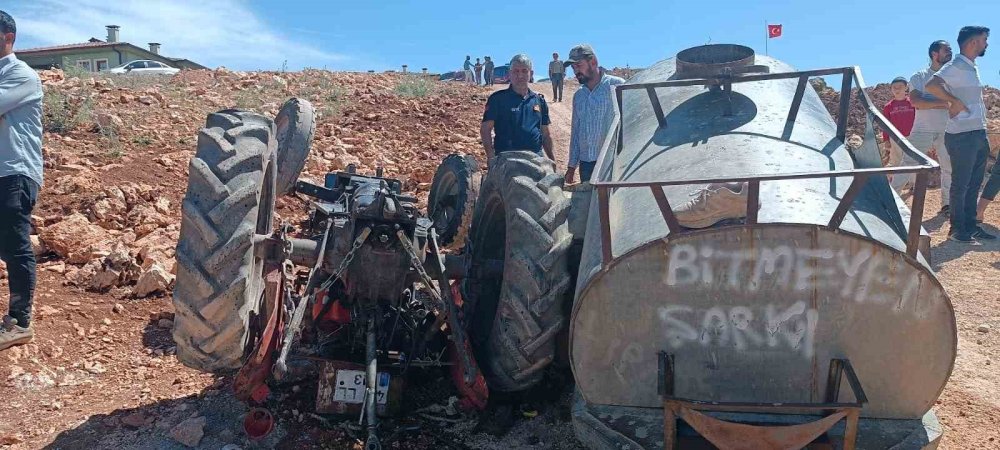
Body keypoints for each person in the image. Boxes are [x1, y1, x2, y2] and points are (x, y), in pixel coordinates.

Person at [0, 10, 44, 352]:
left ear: (8, 38)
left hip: (16, 172)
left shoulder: (21, 75)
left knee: (16, 246)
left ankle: (20, 322)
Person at [925, 26, 993, 243]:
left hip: (978, 133)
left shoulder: (971, 67)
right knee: (961, 184)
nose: (986, 44)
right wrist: (953, 102)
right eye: (984, 40)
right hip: (961, 135)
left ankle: (971, 226)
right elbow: (932, 84)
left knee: (974, 184)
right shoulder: (955, 65)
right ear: (973, 42)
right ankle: (957, 230)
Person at [564, 44, 624, 184]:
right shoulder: (579, 96)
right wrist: (572, 166)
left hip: (612, 162)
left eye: (579, 65)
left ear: (593, 62)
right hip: (586, 164)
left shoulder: (617, 86)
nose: (576, 71)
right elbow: (576, 131)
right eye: (573, 68)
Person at [481, 54, 555, 163]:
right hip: (506, 160)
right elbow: (485, 130)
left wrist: (552, 161)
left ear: (531, 74)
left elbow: (546, 134)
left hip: (536, 159)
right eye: (516, 71)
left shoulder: (539, 101)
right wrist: (491, 158)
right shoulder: (497, 99)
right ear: (509, 74)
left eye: (524, 71)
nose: (520, 75)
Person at [909, 40, 954, 215]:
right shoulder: (919, 77)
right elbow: (916, 102)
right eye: (946, 50)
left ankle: (947, 204)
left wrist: (931, 102)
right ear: (934, 54)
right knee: (908, 163)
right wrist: (946, 103)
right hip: (922, 129)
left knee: (948, 166)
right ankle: (892, 201)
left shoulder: (951, 79)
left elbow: (957, 103)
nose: (950, 53)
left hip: (948, 129)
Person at [881, 76, 915, 192]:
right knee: (896, 161)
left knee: (912, 161)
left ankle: (913, 185)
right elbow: (885, 125)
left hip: (911, 137)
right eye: (894, 88)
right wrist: (886, 140)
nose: (897, 89)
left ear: (906, 88)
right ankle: (894, 187)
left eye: (900, 87)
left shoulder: (913, 103)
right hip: (895, 139)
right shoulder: (888, 107)